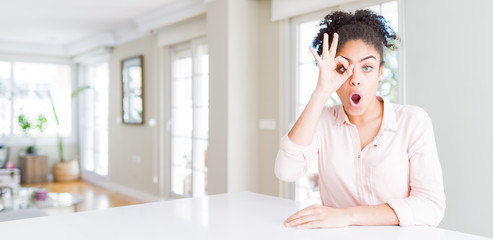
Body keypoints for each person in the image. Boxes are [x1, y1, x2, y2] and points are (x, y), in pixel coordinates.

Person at [275, 9, 445, 229]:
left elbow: (431, 206)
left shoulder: (413, 122)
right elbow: (286, 171)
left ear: (380, 72)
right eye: (342, 68)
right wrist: (321, 92)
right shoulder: (323, 121)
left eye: (367, 67)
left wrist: (347, 216)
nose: (355, 80)